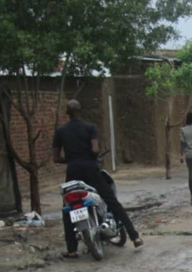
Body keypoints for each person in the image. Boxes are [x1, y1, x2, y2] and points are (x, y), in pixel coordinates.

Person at [53, 100, 142, 257]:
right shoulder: (90, 128)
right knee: (112, 201)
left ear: (67, 113)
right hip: (90, 169)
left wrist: (72, 159)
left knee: (68, 207)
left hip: (72, 171)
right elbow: (95, 149)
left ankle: (72, 249)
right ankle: (134, 236)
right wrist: (89, 156)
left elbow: (56, 157)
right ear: (80, 111)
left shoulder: (61, 131)